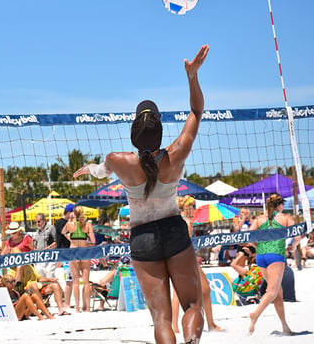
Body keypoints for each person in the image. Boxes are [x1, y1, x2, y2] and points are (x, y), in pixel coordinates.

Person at [74, 45, 210, 344]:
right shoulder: (176, 154)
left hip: (142, 237)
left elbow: (99, 170)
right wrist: (192, 76)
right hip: (174, 229)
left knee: (161, 318)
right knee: (192, 305)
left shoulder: (119, 160)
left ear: (133, 132)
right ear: (161, 131)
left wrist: (90, 168)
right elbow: (197, 111)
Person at [171, 196, 222, 334]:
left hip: (177, 260)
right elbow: (185, 244)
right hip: (187, 260)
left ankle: (175, 327)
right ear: (185, 207)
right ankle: (210, 324)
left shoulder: (176, 221)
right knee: (205, 290)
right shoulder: (187, 222)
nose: (194, 208)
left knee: (188, 292)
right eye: (192, 206)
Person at [248, 193, 293, 335]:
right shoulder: (285, 217)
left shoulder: (259, 218)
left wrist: (258, 247)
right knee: (272, 292)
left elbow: (250, 235)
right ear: (279, 205)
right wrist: (290, 246)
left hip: (261, 256)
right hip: (276, 255)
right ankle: (255, 314)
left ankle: (285, 327)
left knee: (277, 292)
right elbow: (296, 236)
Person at [61, 205, 95, 312]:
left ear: (74, 213)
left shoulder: (70, 224)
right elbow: (93, 241)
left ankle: (78, 308)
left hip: (74, 251)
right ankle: (88, 308)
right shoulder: (88, 224)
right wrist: (88, 245)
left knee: (75, 282)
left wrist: (70, 239)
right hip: (85, 252)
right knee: (86, 282)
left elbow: (63, 232)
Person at [54, 204, 74, 310]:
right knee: (69, 278)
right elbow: (69, 236)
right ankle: (66, 302)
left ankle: (66, 300)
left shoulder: (66, 222)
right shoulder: (61, 223)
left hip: (68, 252)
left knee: (71, 278)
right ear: (69, 213)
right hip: (65, 252)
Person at [33, 213, 58, 278]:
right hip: (40, 257)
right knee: (40, 275)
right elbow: (35, 244)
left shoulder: (51, 228)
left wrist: (48, 248)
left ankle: (55, 287)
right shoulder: (37, 231)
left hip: (50, 255)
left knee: (49, 274)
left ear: (44, 220)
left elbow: (56, 242)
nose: (37, 224)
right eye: (35, 222)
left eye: (39, 221)